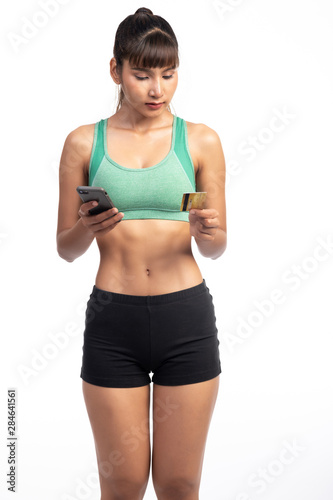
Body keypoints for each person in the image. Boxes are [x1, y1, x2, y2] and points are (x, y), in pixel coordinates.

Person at [56, 6, 227, 500]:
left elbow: (217, 247)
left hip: (186, 319)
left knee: (178, 484)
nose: (157, 89)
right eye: (142, 74)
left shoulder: (200, 140)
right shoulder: (83, 142)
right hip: (114, 323)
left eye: (168, 75)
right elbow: (65, 249)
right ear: (116, 70)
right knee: (123, 484)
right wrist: (86, 228)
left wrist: (205, 230)